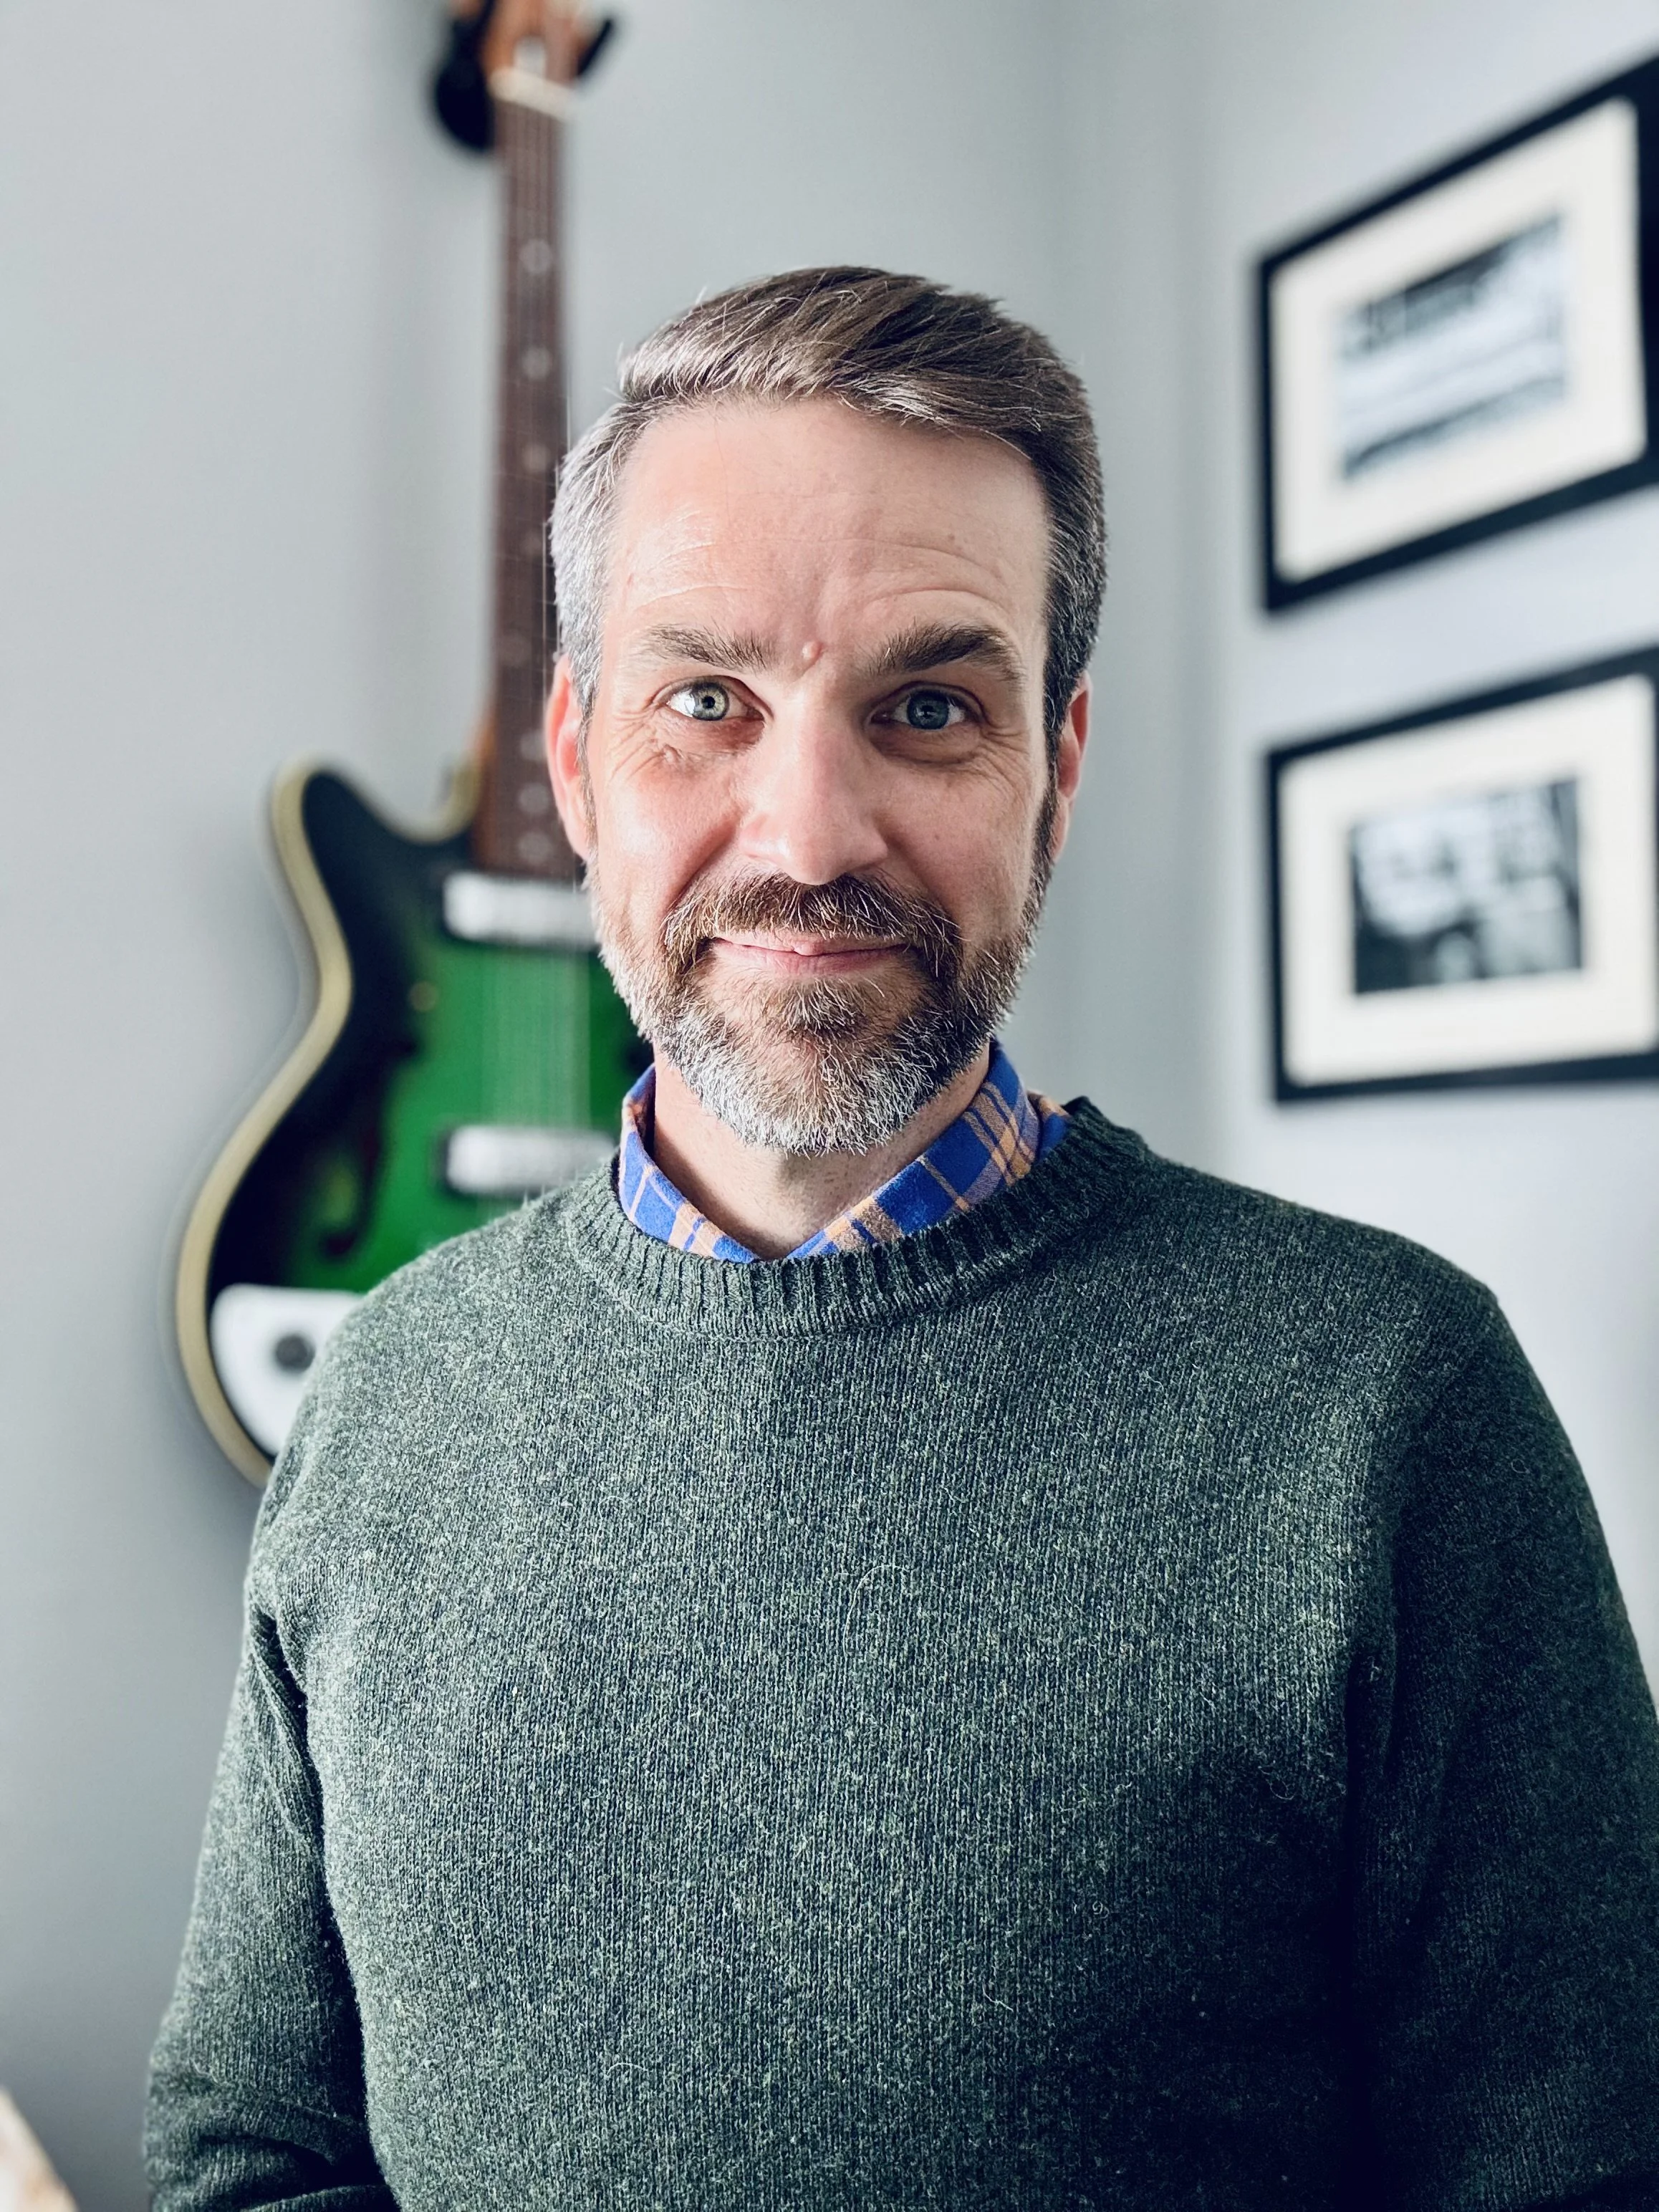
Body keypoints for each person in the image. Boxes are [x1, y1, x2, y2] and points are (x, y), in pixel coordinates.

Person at [145, 267, 1659, 2209]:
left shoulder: (1385, 1404)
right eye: (706, 701)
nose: (810, 829)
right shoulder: (386, 1392)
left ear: (1057, 768)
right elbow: (252, 2157)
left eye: (927, 705)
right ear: (579, 762)